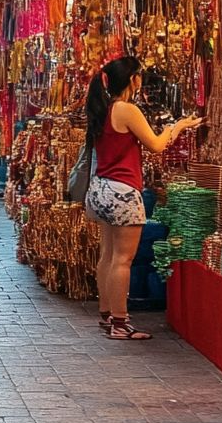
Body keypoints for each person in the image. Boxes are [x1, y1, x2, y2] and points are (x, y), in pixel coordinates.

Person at [86, 56, 202, 340]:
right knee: (123, 260)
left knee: (109, 256)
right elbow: (156, 145)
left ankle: (106, 315)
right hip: (122, 192)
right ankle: (120, 323)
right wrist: (178, 127)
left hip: (101, 188)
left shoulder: (104, 108)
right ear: (133, 79)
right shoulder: (126, 109)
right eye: (140, 76)